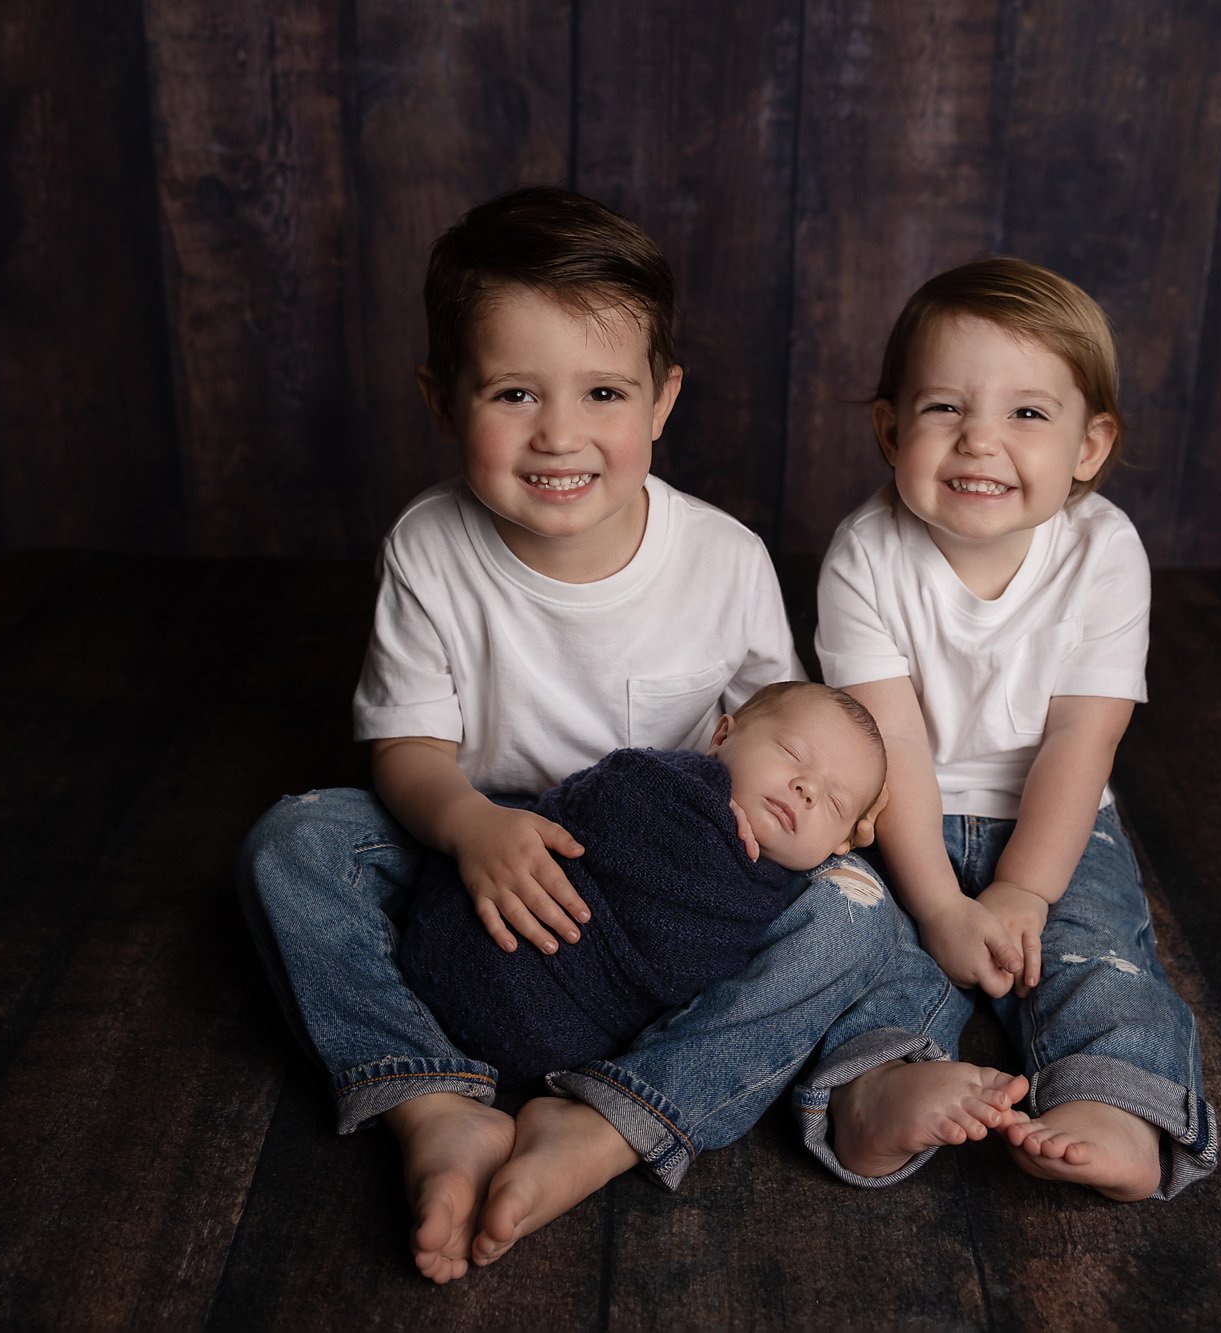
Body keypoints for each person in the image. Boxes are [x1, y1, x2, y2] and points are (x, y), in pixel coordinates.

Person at [235, 187, 1024, 1286]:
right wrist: (468, 824)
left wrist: (840, 819)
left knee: (853, 914)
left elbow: (787, 732)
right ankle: (430, 1097)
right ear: (441, 398)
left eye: (601, 392)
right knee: (297, 843)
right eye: (513, 392)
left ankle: (616, 1117)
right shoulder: (430, 547)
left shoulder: (723, 558)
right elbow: (407, 748)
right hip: (496, 869)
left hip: (691, 894)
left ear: (660, 403)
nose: (558, 433)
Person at [812, 256, 1218, 1201]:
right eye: (945, 408)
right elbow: (895, 744)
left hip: (1053, 816)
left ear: (1089, 443)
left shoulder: (1105, 552)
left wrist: (1028, 890)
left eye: (1028, 414)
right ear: (889, 428)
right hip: (890, 815)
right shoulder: (866, 555)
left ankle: (1117, 1103)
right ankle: (875, 1087)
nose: (980, 443)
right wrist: (943, 907)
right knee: (857, 939)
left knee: (1099, 947)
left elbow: (1083, 738)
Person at [401, 682, 888, 1081]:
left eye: (834, 804)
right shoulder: (658, 783)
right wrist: (704, 801)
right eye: (790, 753)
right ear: (722, 737)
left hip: (569, 1029)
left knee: (866, 914)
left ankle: (626, 1109)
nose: (807, 789)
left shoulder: (788, 898)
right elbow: (597, 803)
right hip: (481, 919)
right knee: (334, 829)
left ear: (842, 843)